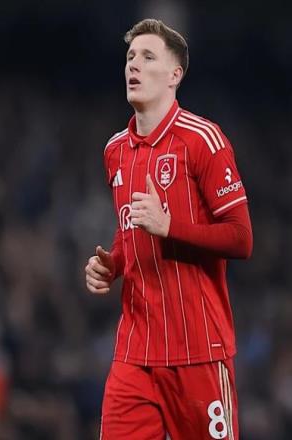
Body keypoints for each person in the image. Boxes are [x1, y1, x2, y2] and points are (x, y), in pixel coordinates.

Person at [84, 18, 253, 440]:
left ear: (175, 75)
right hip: (135, 352)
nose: (133, 65)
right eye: (130, 57)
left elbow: (241, 238)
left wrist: (170, 227)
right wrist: (113, 263)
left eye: (148, 57)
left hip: (198, 349)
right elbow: (130, 228)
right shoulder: (115, 151)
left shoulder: (203, 139)